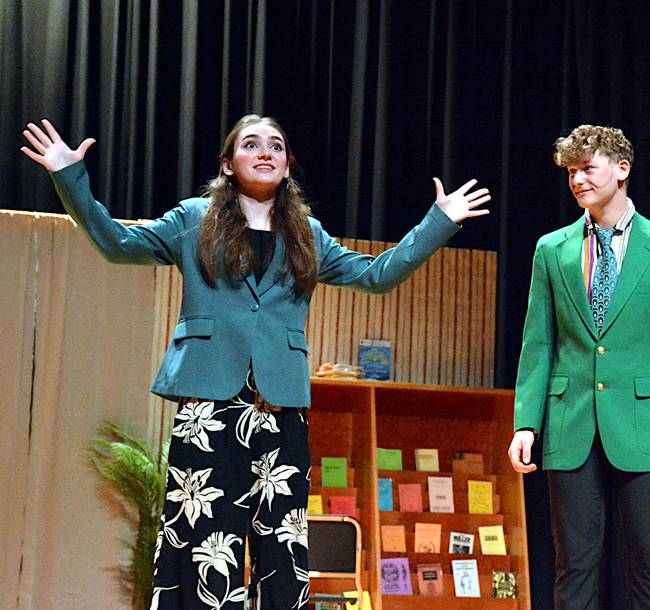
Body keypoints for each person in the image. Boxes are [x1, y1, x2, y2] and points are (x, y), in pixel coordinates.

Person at [21, 115, 491, 610]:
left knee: (283, 541)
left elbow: (376, 276)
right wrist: (68, 177)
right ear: (228, 164)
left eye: (276, 146)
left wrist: (438, 221)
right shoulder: (192, 219)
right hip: (208, 402)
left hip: (279, 403)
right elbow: (117, 244)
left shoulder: (308, 234)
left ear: (287, 167)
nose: (265, 152)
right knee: (204, 538)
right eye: (250, 145)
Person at [507, 125, 650, 609]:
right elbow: (538, 341)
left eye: (587, 168)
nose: (578, 180)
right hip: (571, 422)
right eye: (571, 172)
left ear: (621, 169)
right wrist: (526, 422)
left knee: (649, 566)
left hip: (643, 421)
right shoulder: (552, 249)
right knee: (573, 567)